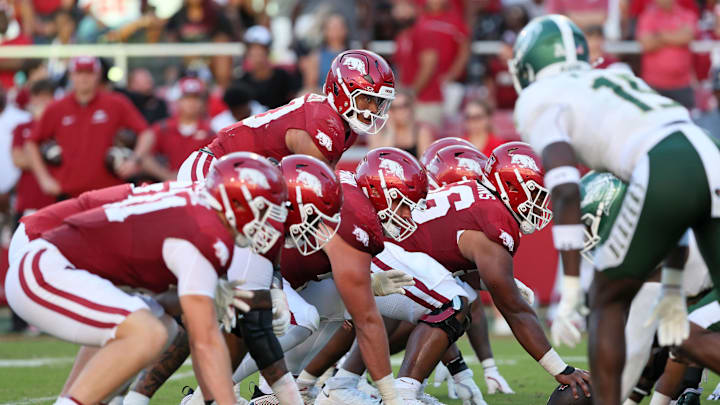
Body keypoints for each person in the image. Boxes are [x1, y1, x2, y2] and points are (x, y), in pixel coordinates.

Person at [509, 14, 720, 405]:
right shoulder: (616, 76)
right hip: (708, 150)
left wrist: (570, 286)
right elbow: (672, 219)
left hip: (668, 161)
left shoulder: (539, 98)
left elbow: (566, 187)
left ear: (528, 64)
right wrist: (673, 288)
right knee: (688, 331)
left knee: (605, 297)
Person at [5, 152, 288, 405]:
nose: (269, 222)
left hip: (60, 261)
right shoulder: (206, 232)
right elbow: (206, 342)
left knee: (159, 325)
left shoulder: (199, 210)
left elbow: (196, 330)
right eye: (266, 210)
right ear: (237, 201)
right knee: (146, 333)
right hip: (46, 266)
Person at [177, 49, 396, 182]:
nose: (374, 110)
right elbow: (317, 190)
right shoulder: (323, 121)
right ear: (341, 90)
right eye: (367, 99)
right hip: (213, 168)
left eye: (378, 102)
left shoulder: (343, 126)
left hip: (243, 178)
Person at [25, 56, 153, 199]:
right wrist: (44, 179)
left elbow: (146, 133)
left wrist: (135, 160)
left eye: (89, 73)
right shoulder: (56, 108)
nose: (84, 78)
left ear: (98, 75)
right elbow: (31, 143)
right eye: (79, 73)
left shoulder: (116, 103)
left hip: (110, 192)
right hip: (68, 193)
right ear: (71, 76)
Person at [393, 0, 470, 128]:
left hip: (426, 99)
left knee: (425, 140)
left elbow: (429, 65)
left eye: (405, 7)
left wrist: (411, 92)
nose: (400, 11)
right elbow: (401, 67)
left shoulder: (424, 30)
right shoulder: (403, 35)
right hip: (408, 101)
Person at [143, 77, 214, 181]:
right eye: (187, 98)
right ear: (178, 101)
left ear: (202, 103)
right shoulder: (163, 128)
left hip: (196, 188)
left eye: (196, 98)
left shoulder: (210, 133)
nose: (191, 103)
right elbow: (145, 157)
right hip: (166, 188)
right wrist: (166, 175)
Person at [636, 0, 698, 109]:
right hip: (654, 84)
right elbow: (647, 44)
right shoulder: (647, 16)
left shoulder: (686, 14)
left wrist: (659, 35)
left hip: (682, 84)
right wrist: (676, 34)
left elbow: (687, 37)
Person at [236, 25, 299, 109]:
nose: (256, 54)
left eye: (260, 50)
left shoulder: (283, 77)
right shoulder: (242, 82)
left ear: (267, 51)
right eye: (252, 50)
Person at [367, 91, 433, 158]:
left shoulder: (421, 131)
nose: (400, 111)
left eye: (404, 105)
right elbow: (379, 160)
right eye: (394, 107)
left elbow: (425, 163)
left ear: (411, 107)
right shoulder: (377, 132)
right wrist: (391, 130)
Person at [299, 13, 349, 94]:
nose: (335, 30)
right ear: (325, 31)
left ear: (345, 30)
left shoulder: (354, 56)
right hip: (325, 98)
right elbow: (310, 86)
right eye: (332, 27)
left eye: (338, 27)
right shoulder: (316, 56)